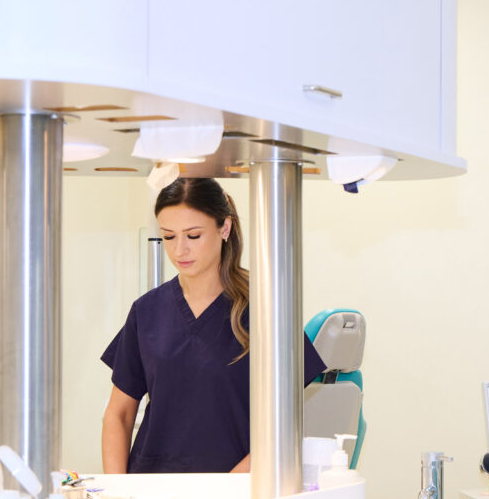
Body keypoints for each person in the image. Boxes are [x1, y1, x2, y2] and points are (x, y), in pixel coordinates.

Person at [100, 178, 326, 474]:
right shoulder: (147, 311)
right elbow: (119, 414)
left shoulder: (266, 310)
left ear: (225, 228)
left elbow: (285, 424)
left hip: (237, 491)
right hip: (152, 493)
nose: (180, 250)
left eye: (193, 235)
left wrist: (231, 488)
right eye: (169, 237)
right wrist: (119, 493)